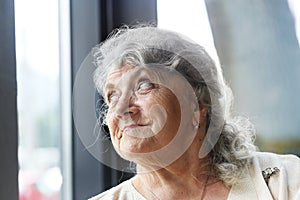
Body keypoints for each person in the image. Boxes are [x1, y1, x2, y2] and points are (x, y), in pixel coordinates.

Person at [89, 26, 300, 200]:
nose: (120, 110)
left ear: (197, 105)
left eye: (144, 85)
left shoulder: (284, 181)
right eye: (112, 96)